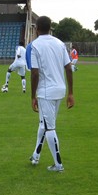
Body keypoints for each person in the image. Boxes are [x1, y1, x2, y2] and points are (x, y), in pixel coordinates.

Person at [29, 16, 74, 172]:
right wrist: (71, 93)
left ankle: (58, 164)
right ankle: (36, 154)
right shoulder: (60, 43)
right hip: (60, 90)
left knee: (49, 128)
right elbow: (69, 68)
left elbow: (34, 73)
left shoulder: (34, 45)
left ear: (36, 29)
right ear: (50, 28)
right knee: (44, 123)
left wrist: (32, 96)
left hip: (45, 92)